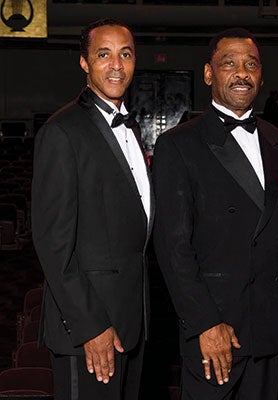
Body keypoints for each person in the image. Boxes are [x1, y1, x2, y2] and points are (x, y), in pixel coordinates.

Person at [152, 28, 278, 400]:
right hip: (215, 327)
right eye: (229, 64)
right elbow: (173, 248)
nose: (241, 73)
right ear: (208, 74)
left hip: (267, 327)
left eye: (250, 65)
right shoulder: (178, 145)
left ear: (261, 76)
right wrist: (204, 323)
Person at [31, 18, 152, 400]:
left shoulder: (131, 129)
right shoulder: (62, 131)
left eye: (125, 54)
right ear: (84, 63)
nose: (116, 64)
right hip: (90, 331)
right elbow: (53, 245)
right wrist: (90, 327)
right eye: (104, 54)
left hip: (132, 322)